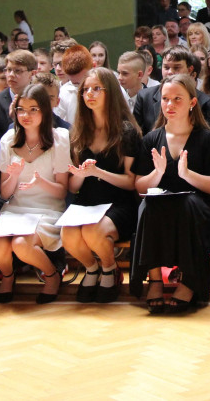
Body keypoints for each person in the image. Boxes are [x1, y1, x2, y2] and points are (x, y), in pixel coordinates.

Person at [131, 74, 210, 312]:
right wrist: (157, 174)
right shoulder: (151, 139)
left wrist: (188, 176)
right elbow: (138, 185)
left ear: (192, 103)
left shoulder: (207, 139)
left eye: (177, 99)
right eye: (165, 99)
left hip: (195, 207)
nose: (170, 105)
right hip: (160, 205)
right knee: (147, 206)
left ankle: (189, 281)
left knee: (187, 205)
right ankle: (155, 279)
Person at [65, 68, 141, 303]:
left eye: (97, 88)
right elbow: (72, 187)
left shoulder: (126, 131)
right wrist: (80, 175)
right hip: (87, 200)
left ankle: (110, 269)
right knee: (67, 234)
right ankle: (91, 268)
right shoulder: (79, 131)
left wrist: (98, 172)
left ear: (111, 93)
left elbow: (131, 182)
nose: (90, 94)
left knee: (92, 231)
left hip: (119, 202)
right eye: (86, 89)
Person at [0, 84, 69, 304]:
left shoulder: (59, 138)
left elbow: (62, 191)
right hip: (16, 208)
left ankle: (52, 276)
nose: (26, 115)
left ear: (44, 110)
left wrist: (41, 181)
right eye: (21, 109)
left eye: (33, 109)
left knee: (21, 244)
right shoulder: (8, 140)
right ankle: (8, 277)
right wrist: (14, 176)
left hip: (47, 209)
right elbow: (5, 192)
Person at [0, 49, 38, 136]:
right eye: (8, 70)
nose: (11, 75)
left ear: (33, 73)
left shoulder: (40, 98)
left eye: (18, 71)